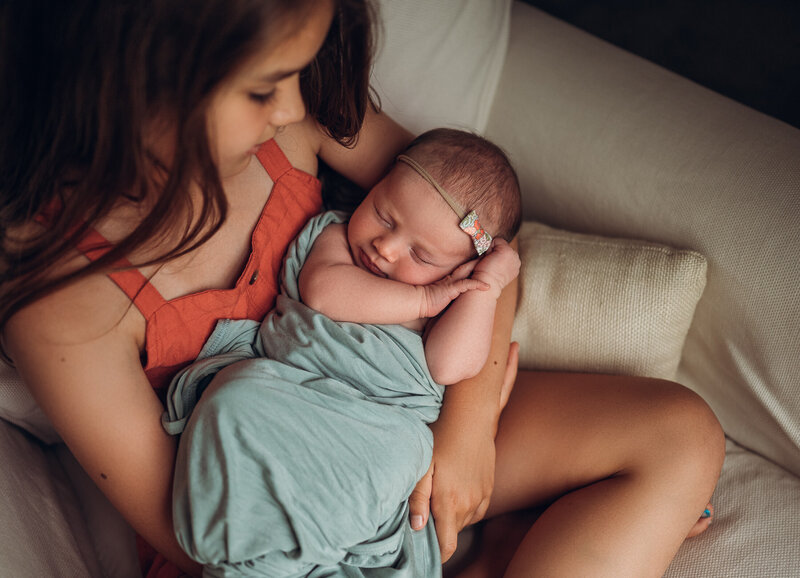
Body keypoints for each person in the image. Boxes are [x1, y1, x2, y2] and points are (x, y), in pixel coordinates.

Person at [0, 0, 724, 576]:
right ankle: (492, 559)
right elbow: (189, 528)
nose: (290, 106)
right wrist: (406, 503)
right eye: (262, 88)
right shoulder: (61, 295)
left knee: (681, 435)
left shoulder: (296, 130)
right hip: (284, 510)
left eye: (297, 72)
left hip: (408, 414)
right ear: (131, 81)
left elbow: (483, 246)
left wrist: (463, 437)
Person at [160, 128, 522, 576]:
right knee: (235, 399)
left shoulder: (460, 294)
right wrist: (425, 300)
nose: (384, 248)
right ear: (375, 186)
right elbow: (325, 292)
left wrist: (485, 289)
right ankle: (280, 555)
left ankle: (316, 552)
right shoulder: (337, 239)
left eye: (421, 256)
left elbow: (450, 364)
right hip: (290, 394)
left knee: (407, 450)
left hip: (378, 428)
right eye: (384, 216)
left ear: (465, 265)